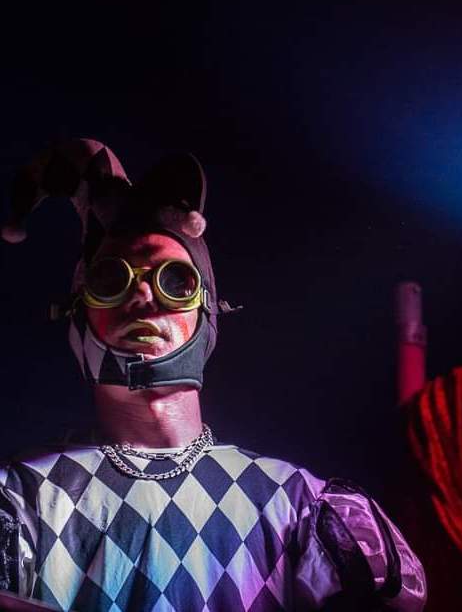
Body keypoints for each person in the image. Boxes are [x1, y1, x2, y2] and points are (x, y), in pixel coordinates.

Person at [0, 139, 427, 612]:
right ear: (79, 312)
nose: (142, 296)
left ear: (207, 307)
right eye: (110, 280)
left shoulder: (295, 503)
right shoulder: (20, 496)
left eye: (174, 281)